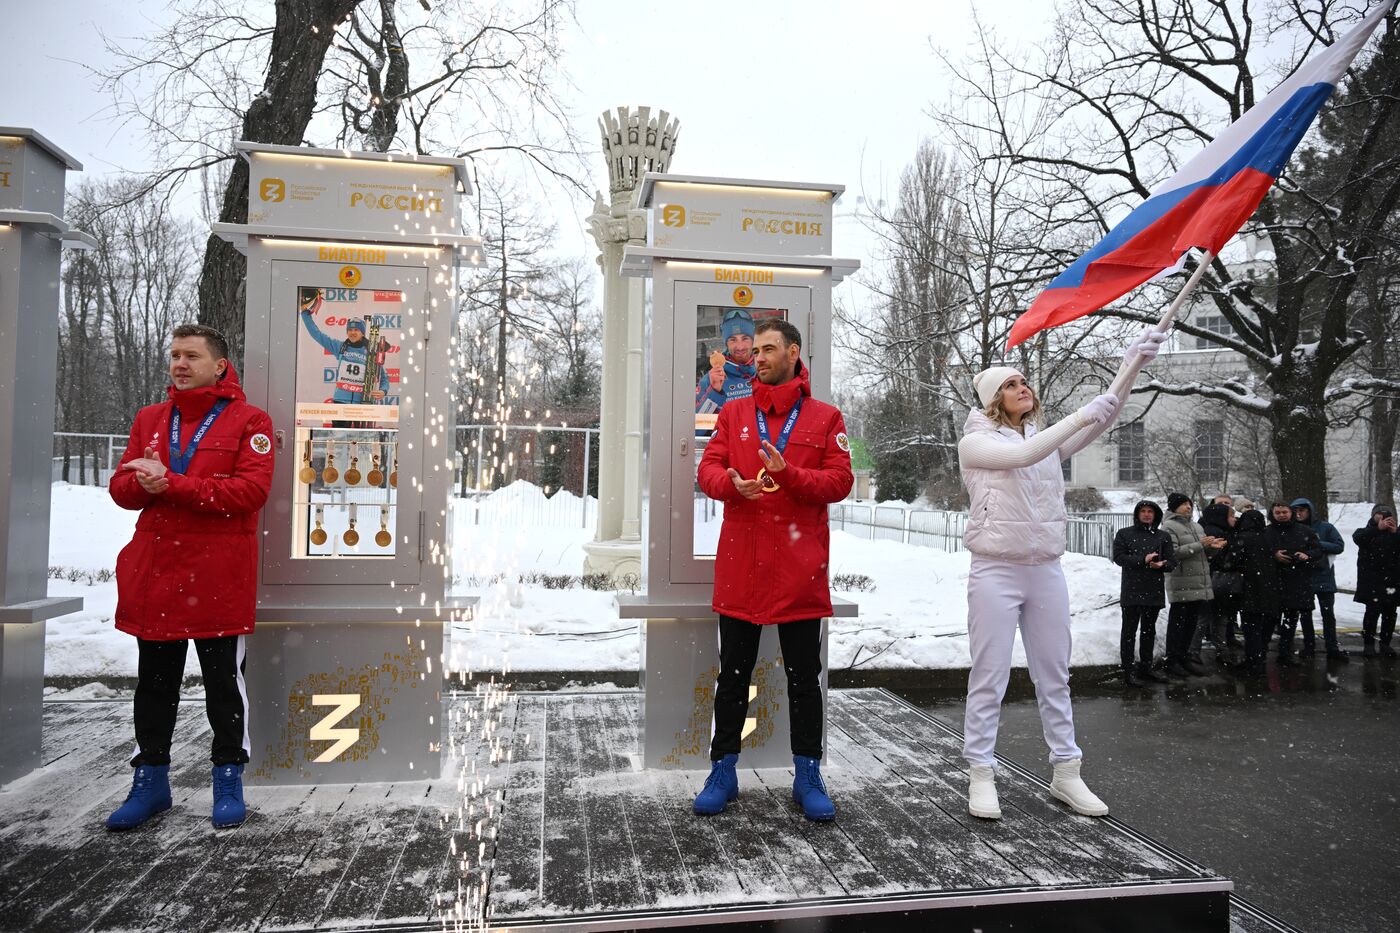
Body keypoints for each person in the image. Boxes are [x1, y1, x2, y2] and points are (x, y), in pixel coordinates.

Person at [958, 326, 1168, 820]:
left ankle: (1067, 773)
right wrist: (1078, 414)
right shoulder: (975, 443)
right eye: (1011, 384)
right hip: (996, 569)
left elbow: (1105, 413)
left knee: (1055, 674)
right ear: (993, 399)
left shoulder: (1043, 438)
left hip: (1045, 568)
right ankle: (981, 773)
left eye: (1024, 381)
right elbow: (1023, 455)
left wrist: (1131, 364)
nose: (1022, 387)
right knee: (989, 675)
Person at [105, 324, 275, 831]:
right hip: (157, 574)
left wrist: (171, 484)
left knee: (223, 685)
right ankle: (151, 781)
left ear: (220, 365)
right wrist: (140, 482)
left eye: (191, 356)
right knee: (154, 686)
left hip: (219, 577)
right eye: (175, 355)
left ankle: (228, 778)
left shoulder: (251, 421)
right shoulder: (150, 419)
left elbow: (248, 495)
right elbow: (121, 489)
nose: (179, 364)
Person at [693, 319, 853, 822]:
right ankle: (724, 768)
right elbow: (708, 469)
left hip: (798, 568)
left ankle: (808, 772)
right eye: (755, 349)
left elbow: (839, 481)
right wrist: (729, 485)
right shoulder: (735, 412)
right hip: (743, 564)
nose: (758, 357)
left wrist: (792, 476)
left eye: (767, 349)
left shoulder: (826, 417)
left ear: (793, 352)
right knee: (734, 676)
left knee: (805, 677)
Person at [1160, 494, 1225, 677]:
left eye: (1189, 504)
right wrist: (1199, 544)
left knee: (1190, 624)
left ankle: (1184, 658)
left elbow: (1203, 553)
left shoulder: (1196, 526)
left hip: (1199, 582)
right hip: (1181, 583)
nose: (1188, 507)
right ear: (1174, 508)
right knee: (1178, 624)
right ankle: (1172, 660)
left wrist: (1213, 547)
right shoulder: (1168, 527)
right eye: (1183, 504)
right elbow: (1172, 553)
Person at [1112, 500, 1176, 687]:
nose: (1147, 514)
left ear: (1156, 515)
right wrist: (1143, 560)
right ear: (1137, 514)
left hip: (1153, 589)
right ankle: (1128, 669)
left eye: (1150, 511)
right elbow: (1119, 558)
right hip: (1132, 589)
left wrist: (1162, 564)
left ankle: (1146, 667)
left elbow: (1172, 561)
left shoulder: (1162, 536)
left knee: (1149, 630)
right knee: (1129, 631)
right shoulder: (1125, 534)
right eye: (1143, 511)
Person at [298, 288, 389, 404]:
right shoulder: (340, 347)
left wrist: (383, 391)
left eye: (356, 329)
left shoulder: (371, 352)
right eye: (350, 329)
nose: (352, 332)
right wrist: (305, 313)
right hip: (340, 401)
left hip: (362, 402)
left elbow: (383, 376)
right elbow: (317, 334)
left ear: (362, 333)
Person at [1290, 497, 1348, 660]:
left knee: (1328, 615)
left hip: (1324, 577)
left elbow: (1339, 546)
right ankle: (1309, 647)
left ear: (1310, 511)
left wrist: (1317, 544)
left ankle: (1332, 648)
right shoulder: (1293, 529)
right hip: (1303, 578)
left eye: (1302, 510)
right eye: (1295, 511)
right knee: (1306, 616)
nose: (1299, 514)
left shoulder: (1325, 527)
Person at [1265, 502, 1322, 667]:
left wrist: (1307, 555)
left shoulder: (1305, 531)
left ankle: (1285, 654)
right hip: (1274, 581)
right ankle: (1261, 653)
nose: (1281, 515)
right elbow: (1259, 553)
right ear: (1272, 514)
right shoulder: (1267, 532)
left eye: (1284, 512)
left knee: (1291, 621)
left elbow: (1318, 550)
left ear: (1291, 513)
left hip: (1298, 581)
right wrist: (1273, 555)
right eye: (1278, 513)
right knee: (1270, 621)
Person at [1234, 508, 1280, 675]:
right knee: (1262, 628)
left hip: (1250, 587)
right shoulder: (1268, 537)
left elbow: (1235, 560)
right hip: (1269, 587)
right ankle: (1259, 660)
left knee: (1250, 627)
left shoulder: (1243, 538)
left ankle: (1253, 663)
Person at [1199, 499, 1245, 666]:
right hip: (1217, 581)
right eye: (1232, 516)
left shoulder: (1223, 530)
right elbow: (1219, 558)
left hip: (1218, 581)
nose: (1234, 519)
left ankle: (1219, 648)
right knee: (1213, 617)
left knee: (1216, 617)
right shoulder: (1215, 533)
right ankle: (1208, 650)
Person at [1352, 505, 1400, 659]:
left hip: (1392, 581)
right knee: (1372, 614)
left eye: (1386, 516)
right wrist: (1377, 528)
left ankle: (1385, 643)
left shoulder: (1395, 534)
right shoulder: (1365, 532)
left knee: (1390, 614)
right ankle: (1369, 644)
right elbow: (1359, 539)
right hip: (1371, 582)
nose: (1383, 518)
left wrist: (1395, 533)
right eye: (1379, 515)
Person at [696, 308, 757, 415]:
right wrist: (715, 392)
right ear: (726, 343)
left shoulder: (766, 370)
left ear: (753, 340)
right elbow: (698, 427)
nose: (740, 346)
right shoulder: (711, 379)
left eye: (745, 338)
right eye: (733, 339)